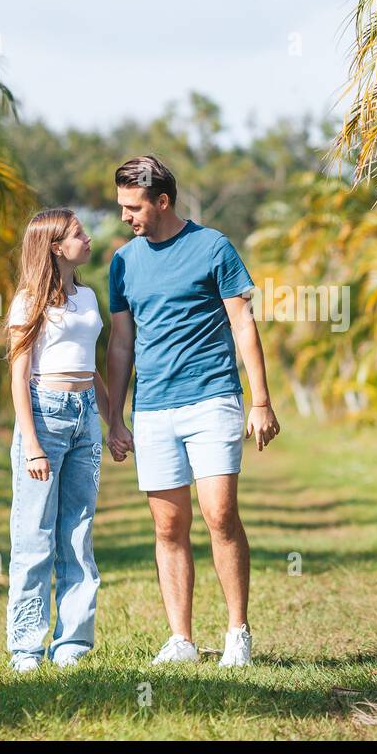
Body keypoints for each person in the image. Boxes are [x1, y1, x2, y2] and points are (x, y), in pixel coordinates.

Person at [105, 155, 280, 668]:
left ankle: (236, 633)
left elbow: (244, 324)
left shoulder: (213, 248)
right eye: (120, 207)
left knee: (220, 515)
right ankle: (181, 639)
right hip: (154, 408)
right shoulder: (123, 262)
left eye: (132, 207)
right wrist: (115, 417)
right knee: (167, 527)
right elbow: (120, 344)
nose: (125, 217)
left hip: (213, 399)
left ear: (162, 201)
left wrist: (261, 400)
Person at [3, 208, 110, 672]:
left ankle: (72, 645)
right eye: (78, 234)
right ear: (54, 246)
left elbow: (91, 368)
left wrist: (114, 420)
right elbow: (18, 375)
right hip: (44, 416)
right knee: (34, 537)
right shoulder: (28, 301)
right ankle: (26, 648)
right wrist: (32, 443)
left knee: (78, 533)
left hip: (85, 415)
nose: (87, 239)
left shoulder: (86, 297)